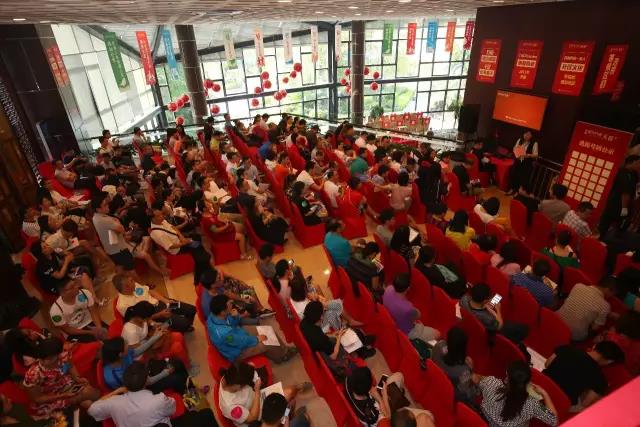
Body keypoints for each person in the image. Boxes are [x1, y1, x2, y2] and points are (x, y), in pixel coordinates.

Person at [89, 362, 216, 427]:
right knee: (206, 414)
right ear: (146, 381)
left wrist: (116, 392)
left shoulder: (114, 402)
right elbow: (172, 409)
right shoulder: (158, 400)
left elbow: (92, 409)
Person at [23, 337, 100, 418]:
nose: (45, 362)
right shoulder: (33, 374)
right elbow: (37, 399)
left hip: (66, 385)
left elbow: (70, 366)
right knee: (88, 393)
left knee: (89, 403)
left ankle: (101, 411)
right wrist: (62, 396)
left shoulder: (63, 356)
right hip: (51, 398)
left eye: (50, 358)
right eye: (43, 359)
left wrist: (77, 378)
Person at [207, 294, 294, 363]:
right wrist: (256, 339)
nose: (232, 303)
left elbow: (231, 324)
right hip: (237, 351)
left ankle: (284, 350)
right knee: (267, 340)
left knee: (267, 330)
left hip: (237, 333)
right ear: (223, 311)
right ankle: (282, 356)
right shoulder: (224, 333)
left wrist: (235, 317)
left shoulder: (214, 315)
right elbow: (240, 342)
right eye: (229, 304)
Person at [543, 341, 624, 411]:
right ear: (609, 361)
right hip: (557, 403)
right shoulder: (601, 380)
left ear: (594, 346)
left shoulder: (567, 348)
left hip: (541, 386)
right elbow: (585, 403)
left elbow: (547, 364)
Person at [474, 360, 558, 426]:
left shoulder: (491, 383)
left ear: (507, 377)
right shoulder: (532, 405)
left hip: (483, 423)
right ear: (527, 383)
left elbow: (475, 377)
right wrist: (544, 393)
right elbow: (554, 421)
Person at [149, 200, 213, 284]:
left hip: (179, 240)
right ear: (153, 218)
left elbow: (173, 227)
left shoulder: (161, 221)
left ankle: (203, 259)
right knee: (196, 246)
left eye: (161, 214)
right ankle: (203, 266)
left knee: (197, 238)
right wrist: (184, 243)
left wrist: (182, 237)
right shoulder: (157, 233)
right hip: (177, 249)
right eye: (159, 216)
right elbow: (170, 246)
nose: (162, 217)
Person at [345, 367, 433, 427]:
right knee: (428, 415)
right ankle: (398, 403)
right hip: (385, 413)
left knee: (399, 375)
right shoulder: (372, 414)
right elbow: (388, 417)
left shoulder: (348, 382)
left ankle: (398, 398)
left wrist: (377, 394)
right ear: (368, 388)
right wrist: (383, 396)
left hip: (375, 400)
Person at [101, 336, 187, 393]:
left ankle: (188, 383)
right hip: (140, 388)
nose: (128, 345)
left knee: (176, 362)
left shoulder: (121, 355)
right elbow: (145, 382)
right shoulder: (116, 376)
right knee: (176, 378)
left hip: (142, 373)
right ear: (120, 354)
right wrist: (165, 373)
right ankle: (185, 394)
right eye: (126, 345)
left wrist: (155, 337)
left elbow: (137, 351)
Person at [113, 273, 195, 333]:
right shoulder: (122, 305)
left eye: (132, 280)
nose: (134, 282)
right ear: (126, 287)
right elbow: (140, 321)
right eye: (131, 281)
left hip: (161, 303)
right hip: (155, 315)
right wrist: (160, 315)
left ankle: (183, 325)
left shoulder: (134, 285)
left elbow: (150, 291)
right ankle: (183, 327)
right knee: (184, 323)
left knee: (191, 309)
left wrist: (166, 301)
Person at [460, 283, 529, 343]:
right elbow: (499, 326)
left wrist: (483, 305)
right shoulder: (488, 318)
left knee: (496, 298)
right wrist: (498, 310)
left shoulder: (464, 299)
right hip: (489, 332)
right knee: (524, 329)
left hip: (472, 320)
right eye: (489, 297)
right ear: (485, 300)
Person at [383, 273, 440, 344]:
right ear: (408, 288)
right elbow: (418, 315)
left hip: (391, 322)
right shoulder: (407, 308)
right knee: (437, 333)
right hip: (405, 331)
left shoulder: (388, 289)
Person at [199, 266, 269, 319]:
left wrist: (244, 299)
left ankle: (259, 310)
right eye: (219, 279)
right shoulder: (209, 303)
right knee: (250, 305)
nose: (222, 279)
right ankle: (253, 313)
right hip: (228, 314)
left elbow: (229, 294)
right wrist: (242, 315)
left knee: (250, 292)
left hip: (229, 305)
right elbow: (221, 319)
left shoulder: (217, 287)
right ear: (212, 285)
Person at [431, 327, 478, 405]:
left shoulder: (439, 346)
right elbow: (466, 394)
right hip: (452, 395)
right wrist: (471, 370)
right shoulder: (464, 371)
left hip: (438, 381)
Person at [92, 194, 135, 272]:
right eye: (105, 205)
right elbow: (122, 229)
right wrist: (117, 221)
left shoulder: (95, 217)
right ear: (98, 209)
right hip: (119, 249)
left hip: (111, 249)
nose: (108, 206)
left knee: (120, 268)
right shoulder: (105, 220)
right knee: (131, 270)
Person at [599, 155, 640, 237]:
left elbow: (635, 186)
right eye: (638, 163)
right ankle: (600, 238)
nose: (639, 165)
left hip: (626, 205)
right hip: (616, 204)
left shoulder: (634, 173)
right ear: (631, 162)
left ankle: (612, 239)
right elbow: (625, 194)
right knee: (606, 224)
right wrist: (624, 208)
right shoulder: (622, 173)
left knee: (619, 227)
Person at [507, 130, 539, 196]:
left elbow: (536, 155)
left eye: (528, 134)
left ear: (531, 136)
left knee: (522, 178)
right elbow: (514, 148)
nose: (526, 135)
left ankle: (518, 192)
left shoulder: (534, 143)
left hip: (526, 163)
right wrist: (516, 150)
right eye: (525, 134)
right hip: (518, 161)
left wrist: (528, 155)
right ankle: (512, 189)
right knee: (514, 174)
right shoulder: (520, 140)